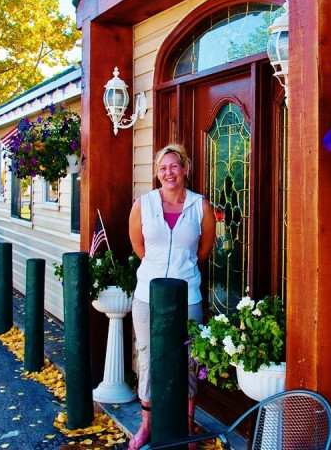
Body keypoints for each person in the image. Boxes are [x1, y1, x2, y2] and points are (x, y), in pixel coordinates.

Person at [127, 143, 216, 450]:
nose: (169, 173)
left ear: (185, 169)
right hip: (147, 296)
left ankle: (188, 426)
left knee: (190, 360)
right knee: (149, 358)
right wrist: (157, 272)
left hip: (187, 294)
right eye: (163, 168)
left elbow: (203, 249)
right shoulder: (143, 204)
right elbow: (139, 247)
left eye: (174, 166)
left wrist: (182, 268)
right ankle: (147, 424)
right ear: (156, 173)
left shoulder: (200, 206)